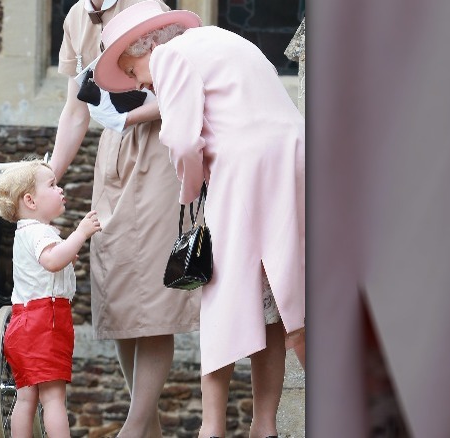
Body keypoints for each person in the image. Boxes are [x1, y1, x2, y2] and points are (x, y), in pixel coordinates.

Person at [92, 2, 305, 437]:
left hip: (244, 171)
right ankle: (264, 427)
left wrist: (191, 193)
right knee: (273, 304)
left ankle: (212, 428)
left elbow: (183, 140)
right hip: (293, 163)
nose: (138, 82)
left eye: (132, 72)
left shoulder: (170, 56)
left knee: (223, 297)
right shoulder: (222, 39)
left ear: (143, 48)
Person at [49, 1, 201, 437]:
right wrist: (46, 176)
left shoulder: (149, 7)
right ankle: (147, 430)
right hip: (112, 159)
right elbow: (76, 108)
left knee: (151, 296)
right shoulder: (77, 16)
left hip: (157, 150)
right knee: (119, 295)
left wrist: (126, 115)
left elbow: (182, 86)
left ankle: (132, 429)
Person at [0, 159, 102, 437]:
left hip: (22, 322)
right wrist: (80, 234)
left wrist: (67, 254)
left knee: (26, 397)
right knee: (53, 399)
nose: (61, 189)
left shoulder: (25, 233)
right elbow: (52, 261)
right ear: (29, 200)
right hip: (45, 323)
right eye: (52, 185)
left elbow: (48, 267)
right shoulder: (40, 232)